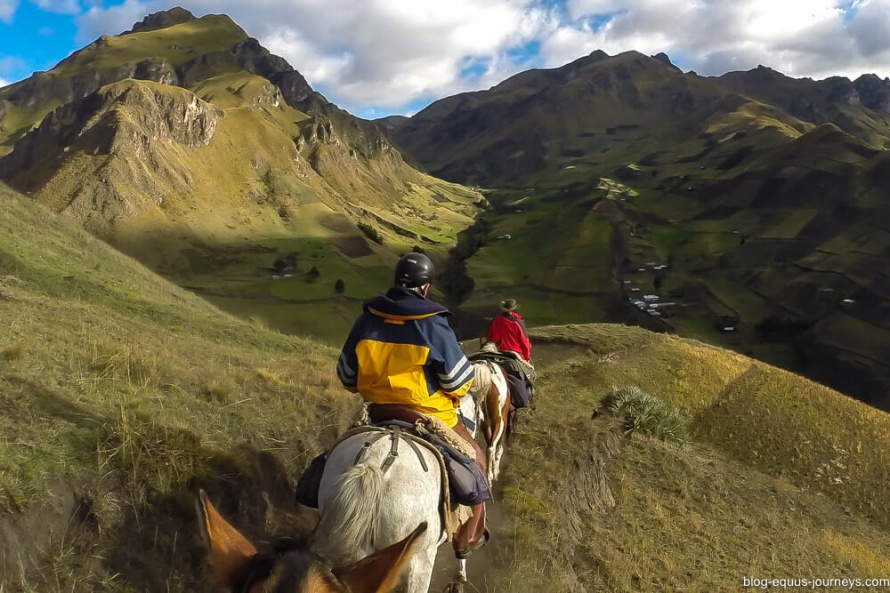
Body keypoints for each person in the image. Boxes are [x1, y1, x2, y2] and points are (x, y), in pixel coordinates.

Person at [336, 252, 489, 559]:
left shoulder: (366, 319)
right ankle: (466, 538)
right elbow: (459, 382)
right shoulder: (433, 324)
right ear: (426, 288)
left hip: (376, 411)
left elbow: (347, 376)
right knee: (477, 458)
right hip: (428, 414)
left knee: (334, 456)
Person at [483, 298, 532, 364]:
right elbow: (524, 341)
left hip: (498, 351)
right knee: (529, 372)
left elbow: (489, 337)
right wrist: (527, 357)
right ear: (514, 308)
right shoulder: (518, 323)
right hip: (516, 352)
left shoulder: (495, 321)